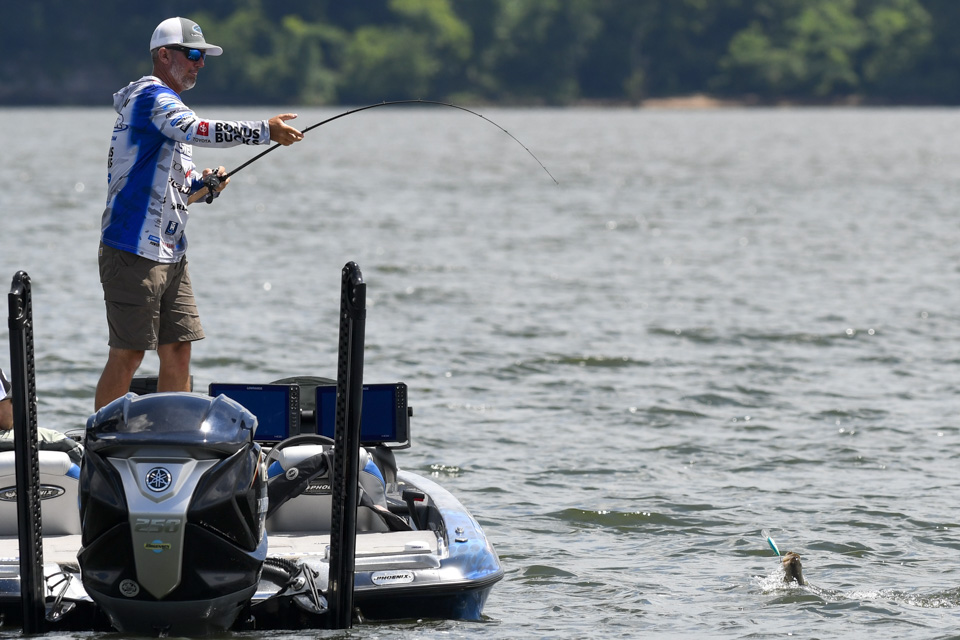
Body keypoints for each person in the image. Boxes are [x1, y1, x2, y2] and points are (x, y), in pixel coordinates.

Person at [95, 17, 304, 410]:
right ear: (164, 55)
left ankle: (170, 434)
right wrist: (264, 130)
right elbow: (196, 128)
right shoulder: (151, 97)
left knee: (178, 349)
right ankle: (100, 437)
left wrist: (204, 185)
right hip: (132, 249)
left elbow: (179, 188)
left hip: (172, 252)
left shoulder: (171, 110)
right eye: (192, 54)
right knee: (129, 354)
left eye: (203, 57)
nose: (200, 63)